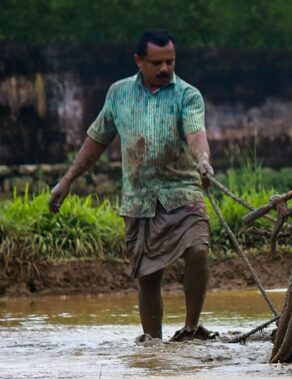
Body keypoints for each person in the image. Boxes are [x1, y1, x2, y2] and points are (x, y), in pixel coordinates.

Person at [48, 30, 216, 343]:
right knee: (148, 278)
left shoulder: (187, 94)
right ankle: (153, 343)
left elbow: (196, 132)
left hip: (183, 192)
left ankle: (192, 329)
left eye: (170, 61)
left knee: (198, 251)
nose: (165, 69)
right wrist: (67, 180)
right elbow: (97, 138)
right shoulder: (119, 93)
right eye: (157, 63)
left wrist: (202, 160)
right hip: (139, 200)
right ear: (139, 61)